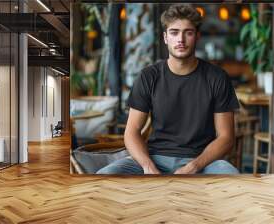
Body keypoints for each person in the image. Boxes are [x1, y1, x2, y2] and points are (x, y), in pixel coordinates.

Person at [96, 4, 240, 175]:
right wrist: (148, 167)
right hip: (155, 157)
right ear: (165, 38)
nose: (181, 39)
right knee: (104, 176)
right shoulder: (149, 76)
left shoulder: (217, 77)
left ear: (197, 36)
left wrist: (194, 166)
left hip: (203, 160)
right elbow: (132, 132)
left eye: (188, 32)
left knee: (231, 176)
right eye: (174, 32)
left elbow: (226, 137)